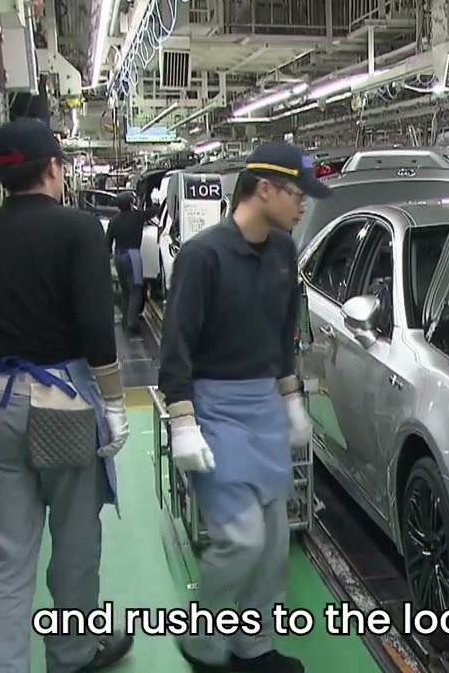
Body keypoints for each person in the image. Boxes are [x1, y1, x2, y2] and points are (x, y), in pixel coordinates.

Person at [0, 118, 134, 672]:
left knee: (4, 561)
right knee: (75, 543)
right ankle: (73, 652)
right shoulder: (78, 229)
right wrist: (113, 402)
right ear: (54, 168)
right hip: (62, 404)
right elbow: (95, 325)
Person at [158, 141, 329, 673]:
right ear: (265, 189)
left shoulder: (282, 252)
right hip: (215, 408)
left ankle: (253, 648)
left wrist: (291, 398)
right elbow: (176, 347)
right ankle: (202, 639)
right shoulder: (202, 256)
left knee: (273, 543)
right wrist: (183, 422)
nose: (303, 204)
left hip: (263, 407)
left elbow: (281, 336)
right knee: (241, 539)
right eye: (296, 193)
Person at [105, 191, 154, 335]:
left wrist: (109, 257)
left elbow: (107, 241)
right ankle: (132, 323)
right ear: (131, 204)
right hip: (132, 256)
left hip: (118, 255)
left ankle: (125, 319)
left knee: (125, 289)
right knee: (136, 288)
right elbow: (153, 211)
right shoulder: (137, 217)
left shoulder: (114, 220)